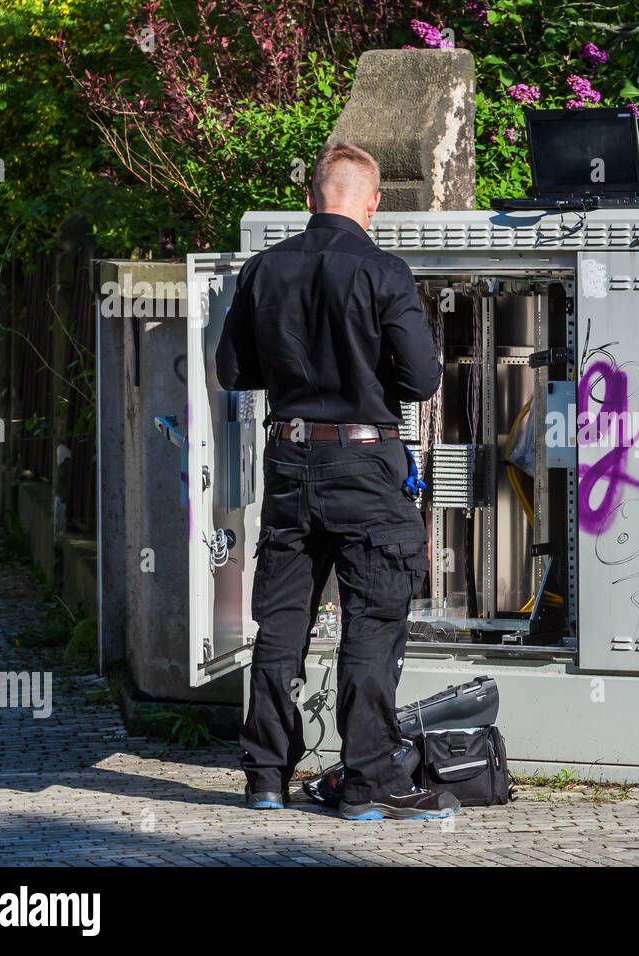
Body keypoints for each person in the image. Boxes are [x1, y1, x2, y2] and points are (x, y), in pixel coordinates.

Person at [216, 139, 456, 821]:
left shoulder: (264, 270)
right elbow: (422, 379)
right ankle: (364, 786)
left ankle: (265, 777)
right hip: (366, 468)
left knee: (281, 626)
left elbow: (234, 373)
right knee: (371, 626)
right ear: (371, 203)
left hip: (291, 462)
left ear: (310, 197)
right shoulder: (384, 273)